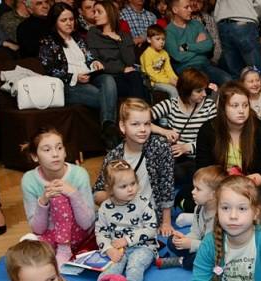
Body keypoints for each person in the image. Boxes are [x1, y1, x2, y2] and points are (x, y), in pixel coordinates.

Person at [38, 2, 119, 149]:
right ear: (55, 22)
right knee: (104, 97)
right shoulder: (48, 42)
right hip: (69, 84)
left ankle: (108, 129)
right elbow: (50, 70)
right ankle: (110, 133)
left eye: (71, 19)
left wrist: (94, 63)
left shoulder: (78, 38)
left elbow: (89, 57)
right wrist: (75, 77)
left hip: (90, 76)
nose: (69, 23)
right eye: (63, 20)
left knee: (108, 79)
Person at [195, 82, 261, 214]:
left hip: (251, 186)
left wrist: (239, 185)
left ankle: (217, 213)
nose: (241, 110)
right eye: (235, 106)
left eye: (245, 105)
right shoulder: (208, 130)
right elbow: (203, 168)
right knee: (188, 197)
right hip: (218, 186)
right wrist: (224, 187)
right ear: (223, 107)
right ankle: (245, 213)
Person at [94, 98, 175, 237]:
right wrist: (116, 195)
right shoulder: (114, 156)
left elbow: (166, 184)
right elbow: (97, 193)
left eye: (147, 124)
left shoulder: (160, 146)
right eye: (135, 124)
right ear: (122, 126)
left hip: (149, 215)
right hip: (120, 214)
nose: (143, 129)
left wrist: (166, 222)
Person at [20, 128, 96, 267]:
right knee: (26, 258)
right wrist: (43, 201)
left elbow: (87, 223)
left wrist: (73, 194)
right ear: (35, 156)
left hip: (79, 235)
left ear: (65, 152)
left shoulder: (79, 174)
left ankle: (64, 248)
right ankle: (43, 247)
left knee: (59, 198)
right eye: (47, 150)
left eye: (59, 148)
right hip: (49, 236)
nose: (55, 154)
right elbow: (38, 229)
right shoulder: (29, 179)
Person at [150, 68, 217, 211]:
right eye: (199, 91)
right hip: (176, 156)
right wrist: (164, 131)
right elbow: (141, 120)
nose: (204, 94)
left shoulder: (209, 106)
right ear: (186, 91)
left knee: (192, 174)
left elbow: (214, 139)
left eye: (204, 89)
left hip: (200, 157)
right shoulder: (171, 104)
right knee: (161, 167)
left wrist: (188, 147)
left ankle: (183, 200)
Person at [95, 159, 158, 281]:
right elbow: (101, 232)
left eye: (133, 183)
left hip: (143, 246)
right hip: (118, 249)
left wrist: (127, 240)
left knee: (136, 263)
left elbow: (151, 228)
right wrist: (108, 249)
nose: (130, 189)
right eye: (123, 186)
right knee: (113, 265)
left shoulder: (143, 203)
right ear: (110, 189)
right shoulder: (105, 208)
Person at [160, 165, 226, 270]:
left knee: (205, 258)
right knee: (172, 240)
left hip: (216, 252)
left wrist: (191, 244)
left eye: (198, 189)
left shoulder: (223, 217)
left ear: (213, 195)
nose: (192, 192)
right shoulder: (199, 208)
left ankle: (181, 261)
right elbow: (196, 232)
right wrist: (185, 239)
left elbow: (218, 249)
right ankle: (188, 259)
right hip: (200, 245)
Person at [87, 0, 149, 100]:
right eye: (94, 12)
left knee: (135, 76)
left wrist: (119, 41)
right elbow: (96, 62)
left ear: (110, 13)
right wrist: (121, 69)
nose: (95, 15)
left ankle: (137, 108)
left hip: (124, 76)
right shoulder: (93, 33)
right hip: (106, 76)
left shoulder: (124, 36)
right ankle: (141, 108)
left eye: (99, 12)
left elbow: (130, 61)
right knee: (138, 87)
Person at [165, 0, 230, 85]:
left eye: (190, 7)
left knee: (227, 80)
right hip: (187, 69)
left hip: (205, 65)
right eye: (186, 7)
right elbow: (178, 57)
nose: (190, 10)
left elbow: (209, 45)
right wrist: (200, 48)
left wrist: (187, 46)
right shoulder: (169, 31)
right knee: (200, 86)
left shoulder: (197, 24)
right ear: (175, 10)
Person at [213, 0, 261, 77]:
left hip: (223, 24)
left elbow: (218, 7)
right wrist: (256, 15)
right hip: (244, 21)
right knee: (255, 70)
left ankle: (238, 85)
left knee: (234, 71)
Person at [140, 24, 178, 98]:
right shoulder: (147, 54)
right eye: (158, 39)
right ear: (149, 40)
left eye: (163, 39)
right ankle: (174, 106)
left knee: (182, 87)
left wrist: (176, 79)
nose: (161, 42)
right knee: (173, 90)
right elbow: (151, 74)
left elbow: (169, 69)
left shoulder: (164, 53)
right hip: (153, 82)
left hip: (165, 79)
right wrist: (168, 81)